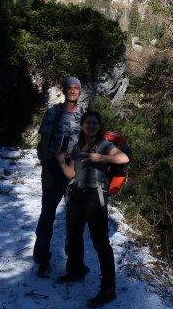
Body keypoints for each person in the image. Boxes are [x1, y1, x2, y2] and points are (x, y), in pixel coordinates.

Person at [56, 110, 129, 308]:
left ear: (99, 126)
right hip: (76, 195)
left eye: (95, 123)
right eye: (88, 123)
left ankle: (108, 289)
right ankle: (76, 270)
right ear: (82, 125)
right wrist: (61, 160)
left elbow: (123, 159)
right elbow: (71, 172)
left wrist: (101, 158)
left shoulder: (104, 145)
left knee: (100, 243)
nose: (91, 126)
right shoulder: (77, 146)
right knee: (74, 235)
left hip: (95, 197)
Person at [33, 77, 84, 278]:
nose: (72, 91)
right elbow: (44, 143)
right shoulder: (54, 112)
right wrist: (45, 171)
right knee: (47, 215)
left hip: (75, 169)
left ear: (80, 91)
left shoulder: (84, 114)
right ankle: (42, 260)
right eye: (69, 88)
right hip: (54, 167)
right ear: (64, 90)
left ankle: (74, 262)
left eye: (76, 88)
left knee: (74, 218)